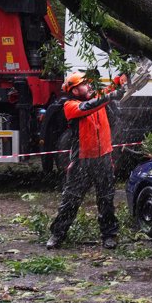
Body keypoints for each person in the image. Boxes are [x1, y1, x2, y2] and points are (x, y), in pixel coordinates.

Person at [46, 71, 127, 250]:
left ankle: (109, 235)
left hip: (104, 158)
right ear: (74, 91)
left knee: (106, 199)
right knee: (71, 200)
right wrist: (110, 96)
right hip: (82, 161)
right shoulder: (70, 106)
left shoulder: (98, 96)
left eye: (89, 83)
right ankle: (57, 234)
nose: (89, 86)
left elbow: (110, 89)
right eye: (84, 84)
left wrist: (121, 78)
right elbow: (91, 105)